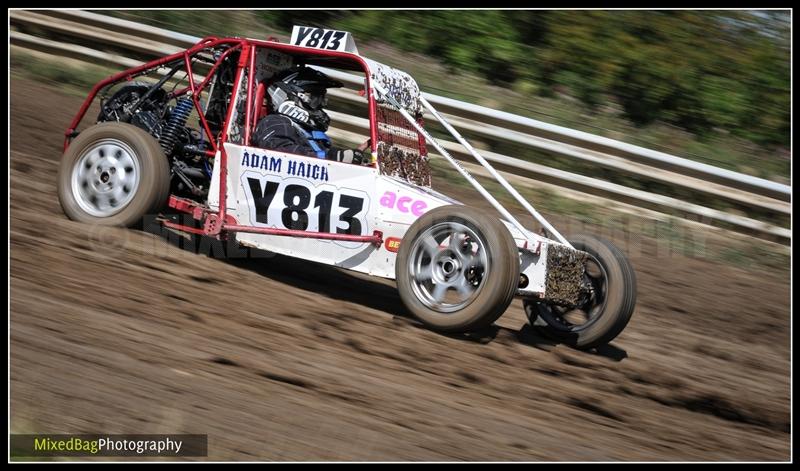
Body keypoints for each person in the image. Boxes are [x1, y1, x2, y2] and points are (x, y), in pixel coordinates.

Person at [252, 66, 370, 164]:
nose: (320, 105)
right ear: (291, 96)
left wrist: (349, 156)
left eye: (321, 99)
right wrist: (334, 157)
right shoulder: (275, 122)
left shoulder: (306, 132)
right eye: (314, 98)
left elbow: (323, 157)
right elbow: (279, 152)